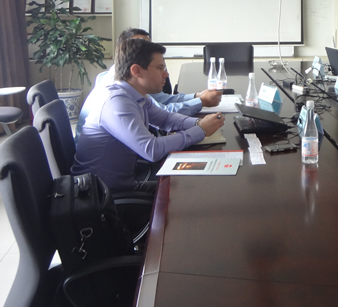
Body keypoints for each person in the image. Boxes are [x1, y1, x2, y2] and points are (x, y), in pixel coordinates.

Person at [72, 39, 225, 193]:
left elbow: (166, 119)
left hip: (122, 184)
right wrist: (201, 130)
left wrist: (199, 123)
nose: (166, 74)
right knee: (191, 191)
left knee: (189, 186)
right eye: (160, 68)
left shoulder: (135, 94)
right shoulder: (116, 102)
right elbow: (152, 150)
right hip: (101, 195)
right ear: (136, 71)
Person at [76, 28, 221, 136]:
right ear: (126, 51)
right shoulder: (117, 95)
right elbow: (151, 149)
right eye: (141, 46)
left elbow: (164, 112)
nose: (148, 51)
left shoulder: (133, 85)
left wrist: (197, 100)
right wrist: (200, 127)